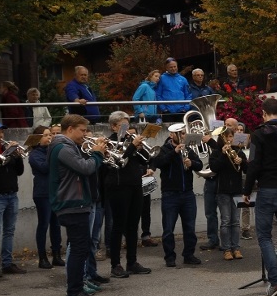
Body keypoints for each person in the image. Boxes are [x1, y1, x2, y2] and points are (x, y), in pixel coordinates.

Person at [48, 114, 106, 296]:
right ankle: (74, 292)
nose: (84, 135)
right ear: (70, 129)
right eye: (81, 130)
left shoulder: (69, 147)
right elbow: (86, 168)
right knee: (79, 249)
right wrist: (97, 153)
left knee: (81, 248)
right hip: (71, 204)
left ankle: (77, 288)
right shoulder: (62, 147)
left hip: (76, 203)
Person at [243, 96, 277, 296]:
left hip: (267, 189)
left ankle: (276, 281)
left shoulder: (258, 134)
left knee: (264, 236)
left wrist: (246, 190)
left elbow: (253, 164)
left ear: (263, 113)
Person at [102, 111, 151, 277]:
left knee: (133, 225)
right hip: (117, 186)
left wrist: (140, 148)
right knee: (118, 225)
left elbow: (145, 160)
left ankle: (132, 262)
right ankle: (115, 264)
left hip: (135, 184)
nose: (127, 127)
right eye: (123, 124)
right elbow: (118, 161)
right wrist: (132, 146)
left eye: (128, 124)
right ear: (114, 126)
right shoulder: (109, 141)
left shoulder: (130, 139)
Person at [150, 122, 202, 267]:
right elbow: (160, 163)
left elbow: (199, 165)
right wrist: (175, 152)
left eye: (184, 133)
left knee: (190, 228)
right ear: (171, 135)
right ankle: (169, 256)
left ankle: (189, 255)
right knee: (168, 228)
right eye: (179, 133)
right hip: (170, 194)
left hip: (188, 194)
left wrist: (192, 163)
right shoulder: (164, 149)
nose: (182, 136)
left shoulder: (189, 149)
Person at [0, 121, 26, 275]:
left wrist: (17, 156)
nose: (1, 136)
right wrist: (5, 154)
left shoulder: (7, 148)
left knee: (9, 231)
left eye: (2, 132)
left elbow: (19, 171)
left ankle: (7, 263)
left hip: (11, 194)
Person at [29, 125, 64, 268]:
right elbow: (44, 168)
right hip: (42, 193)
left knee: (56, 224)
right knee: (43, 224)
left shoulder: (53, 151)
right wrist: (51, 152)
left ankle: (57, 254)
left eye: (50, 135)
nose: (49, 137)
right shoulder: (35, 154)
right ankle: (42, 257)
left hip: (56, 191)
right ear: (37, 139)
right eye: (45, 135)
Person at [210, 127, 247, 260]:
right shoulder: (216, 152)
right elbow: (214, 168)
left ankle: (236, 248)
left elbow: (247, 169)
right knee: (226, 221)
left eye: (231, 137)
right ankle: (226, 249)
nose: (229, 139)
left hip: (236, 190)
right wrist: (222, 154)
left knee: (236, 221)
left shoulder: (239, 151)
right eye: (226, 137)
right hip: (223, 191)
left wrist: (241, 162)